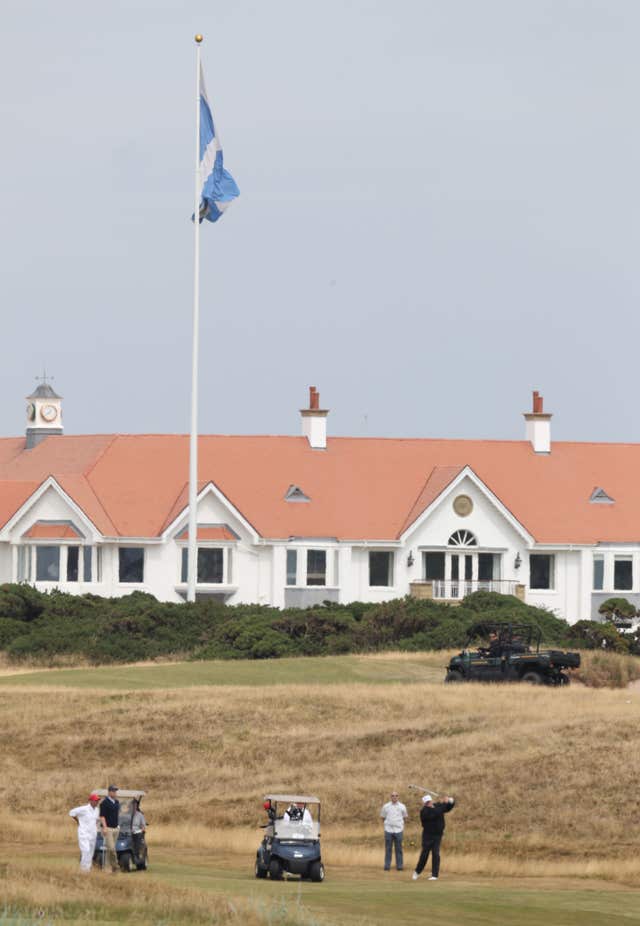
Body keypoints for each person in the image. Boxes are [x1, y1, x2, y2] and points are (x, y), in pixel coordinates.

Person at [412, 794, 455, 881]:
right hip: (428, 835)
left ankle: (434, 875)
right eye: (426, 802)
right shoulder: (424, 811)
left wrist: (450, 801)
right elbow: (436, 813)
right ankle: (417, 871)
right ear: (424, 803)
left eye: (429, 801)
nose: (428, 803)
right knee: (424, 855)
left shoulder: (437, 806)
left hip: (437, 835)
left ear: (431, 800)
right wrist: (443, 803)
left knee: (436, 854)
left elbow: (448, 808)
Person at [69, 792, 100, 872]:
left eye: (98, 800)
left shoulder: (97, 810)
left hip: (93, 834)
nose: (97, 802)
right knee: (85, 851)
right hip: (84, 833)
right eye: (95, 800)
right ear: (91, 801)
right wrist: (78, 821)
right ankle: (83, 870)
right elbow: (71, 813)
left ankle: (87, 870)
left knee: (90, 853)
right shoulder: (84, 809)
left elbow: (96, 820)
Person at [380, 790, 408, 871]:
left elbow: (405, 817)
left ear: (398, 797)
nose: (394, 797)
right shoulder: (386, 806)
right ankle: (387, 866)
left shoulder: (402, 806)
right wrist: (387, 824)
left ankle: (399, 866)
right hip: (388, 830)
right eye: (392, 796)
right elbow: (382, 817)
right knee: (388, 848)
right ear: (390, 797)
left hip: (398, 830)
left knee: (399, 849)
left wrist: (399, 824)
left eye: (396, 795)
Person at [99, 784, 121, 872]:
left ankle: (108, 869)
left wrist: (118, 826)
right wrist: (104, 827)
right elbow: (102, 816)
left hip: (116, 828)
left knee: (110, 850)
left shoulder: (117, 802)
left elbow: (116, 814)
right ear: (109, 792)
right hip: (107, 828)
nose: (115, 793)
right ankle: (116, 866)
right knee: (111, 848)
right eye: (113, 791)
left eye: (115, 791)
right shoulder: (104, 803)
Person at [130, 798, 147, 864]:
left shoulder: (140, 815)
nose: (134, 806)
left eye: (135, 805)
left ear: (137, 806)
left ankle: (137, 856)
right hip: (127, 832)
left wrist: (142, 830)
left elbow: (143, 826)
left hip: (137, 832)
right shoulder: (126, 814)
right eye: (132, 805)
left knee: (137, 840)